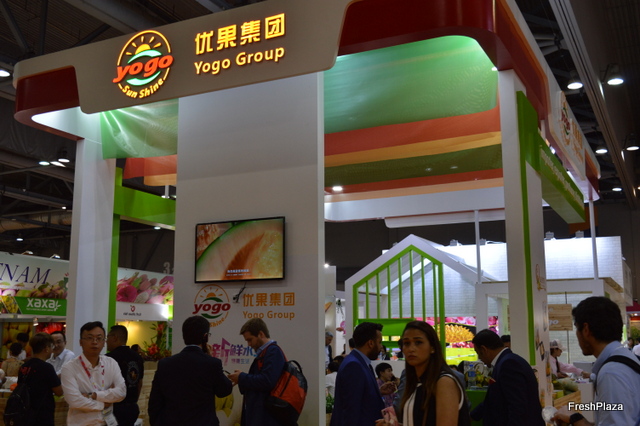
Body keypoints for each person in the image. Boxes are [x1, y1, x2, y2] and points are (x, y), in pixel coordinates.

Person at [552, 297, 640, 426]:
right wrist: (575, 418)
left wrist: (575, 419)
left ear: (586, 329)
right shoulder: (627, 358)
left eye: (576, 328)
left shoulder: (611, 372)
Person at [378, 321, 469, 426]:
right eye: (406, 343)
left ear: (432, 347)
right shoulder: (414, 381)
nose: (411, 349)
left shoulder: (444, 382)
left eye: (418, 342)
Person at [149, 315, 232, 426]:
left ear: (184, 336)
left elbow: (154, 403)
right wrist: (209, 357)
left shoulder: (165, 364)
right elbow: (224, 390)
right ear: (205, 337)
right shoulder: (212, 363)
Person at [470, 329, 543, 426]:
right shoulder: (506, 361)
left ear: (484, 349)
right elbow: (494, 399)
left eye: (478, 353)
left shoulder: (508, 364)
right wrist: (472, 416)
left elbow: (517, 407)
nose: (480, 359)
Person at [60, 321, 126, 426]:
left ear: (104, 342)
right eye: (89, 338)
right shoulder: (69, 367)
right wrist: (102, 404)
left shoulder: (111, 363)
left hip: (107, 423)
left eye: (99, 338)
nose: (95, 342)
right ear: (80, 342)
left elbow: (121, 392)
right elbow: (74, 400)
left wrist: (93, 395)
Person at [227, 318, 285, 426]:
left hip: (267, 417)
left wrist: (242, 377)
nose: (249, 344)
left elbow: (267, 381)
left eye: (250, 340)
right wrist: (242, 378)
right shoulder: (266, 353)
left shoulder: (273, 351)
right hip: (262, 415)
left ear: (261, 334)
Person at [330, 321, 385, 426]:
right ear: (371, 343)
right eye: (379, 342)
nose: (381, 347)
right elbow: (351, 410)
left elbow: (360, 396)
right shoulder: (354, 365)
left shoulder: (361, 362)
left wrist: (378, 392)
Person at [16, 333, 63, 425]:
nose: (52, 350)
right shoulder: (47, 367)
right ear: (46, 348)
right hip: (42, 414)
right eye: (51, 346)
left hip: (25, 412)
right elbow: (59, 392)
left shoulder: (24, 366)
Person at [106, 325, 145, 426]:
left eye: (108, 337)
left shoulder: (109, 358)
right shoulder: (137, 357)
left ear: (115, 338)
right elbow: (139, 383)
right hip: (132, 407)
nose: (106, 341)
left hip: (114, 408)